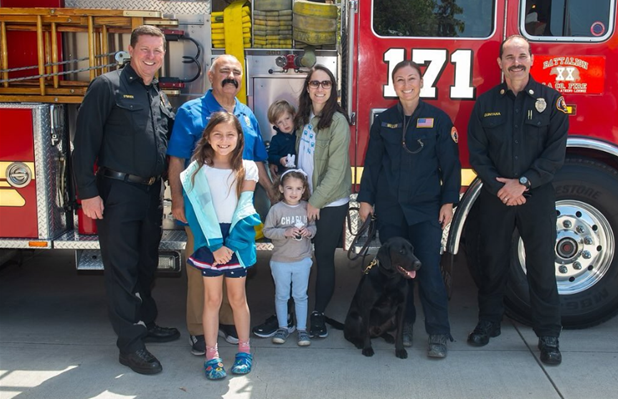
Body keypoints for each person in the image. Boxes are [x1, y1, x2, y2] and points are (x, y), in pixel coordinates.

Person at [72, 25, 179, 375]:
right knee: (122, 270)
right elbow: (83, 142)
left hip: (150, 193)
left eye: (158, 51)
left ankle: (146, 323)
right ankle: (130, 346)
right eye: (145, 49)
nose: (152, 56)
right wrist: (87, 192)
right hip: (117, 193)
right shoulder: (108, 86)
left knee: (146, 265)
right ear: (131, 50)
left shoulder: (156, 94)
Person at [467, 35, 568, 366]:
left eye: (521, 55)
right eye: (509, 56)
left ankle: (549, 334)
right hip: (497, 195)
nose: (516, 62)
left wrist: (522, 183)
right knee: (492, 261)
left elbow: (554, 156)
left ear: (531, 60)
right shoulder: (485, 104)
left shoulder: (552, 101)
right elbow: (478, 154)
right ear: (500, 63)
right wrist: (501, 188)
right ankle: (489, 322)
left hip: (535, 195)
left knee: (540, 266)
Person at [167, 54, 272, 356]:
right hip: (202, 212)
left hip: (237, 212)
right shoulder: (191, 112)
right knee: (202, 271)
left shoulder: (247, 114)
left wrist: (273, 194)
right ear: (210, 77)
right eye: (224, 71)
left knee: (234, 266)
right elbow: (176, 158)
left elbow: (257, 162)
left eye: (236, 72)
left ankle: (226, 322)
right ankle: (199, 331)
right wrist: (176, 200)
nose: (231, 76)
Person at [357, 60, 461, 358]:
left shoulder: (439, 121)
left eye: (411, 78)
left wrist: (448, 202)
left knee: (427, 271)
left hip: (425, 210)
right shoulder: (385, 121)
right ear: (394, 84)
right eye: (400, 79)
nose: (406, 85)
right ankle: (404, 326)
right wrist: (366, 199)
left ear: (421, 82)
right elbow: (373, 163)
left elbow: (451, 166)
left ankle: (438, 332)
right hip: (391, 211)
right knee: (397, 274)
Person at [180, 112, 261, 380]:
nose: (224, 140)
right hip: (208, 240)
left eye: (230, 135)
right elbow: (197, 213)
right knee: (212, 299)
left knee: (238, 299)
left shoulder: (248, 168)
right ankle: (212, 354)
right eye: (218, 134)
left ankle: (244, 350)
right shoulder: (196, 171)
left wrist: (232, 244)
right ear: (208, 137)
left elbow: (246, 207)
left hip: (236, 238)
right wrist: (215, 246)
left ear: (239, 137)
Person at [295, 64, 352, 338]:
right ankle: (294, 309)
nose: (320, 88)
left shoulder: (338, 121)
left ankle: (318, 313)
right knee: (297, 257)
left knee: (323, 257)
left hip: (327, 203)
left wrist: (314, 202)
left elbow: (337, 170)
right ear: (308, 88)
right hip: (305, 200)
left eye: (326, 83)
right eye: (315, 83)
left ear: (333, 89)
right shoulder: (304, 118)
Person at [262, 170, 316, 346]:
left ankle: (302, 329)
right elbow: (267, 231)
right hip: (280, 261)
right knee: (282, 295)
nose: (294, 192)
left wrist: (309, 232)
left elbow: (314, 227)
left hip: (302, 260)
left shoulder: (306, 207)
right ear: (281, 189)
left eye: (298, 188)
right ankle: (283, 327)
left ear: (304, 190)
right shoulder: (276, 209)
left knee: (301, 295)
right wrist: (285, 232)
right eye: (290, 188)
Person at [267, 100, 297, 177]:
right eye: (280, 122)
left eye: (287, 118)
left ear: (293, 115)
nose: (285, 124)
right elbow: (270, 156)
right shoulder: (276, 139)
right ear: (275, 125)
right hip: (284, 175)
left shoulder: (300, 133)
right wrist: (280, 160)